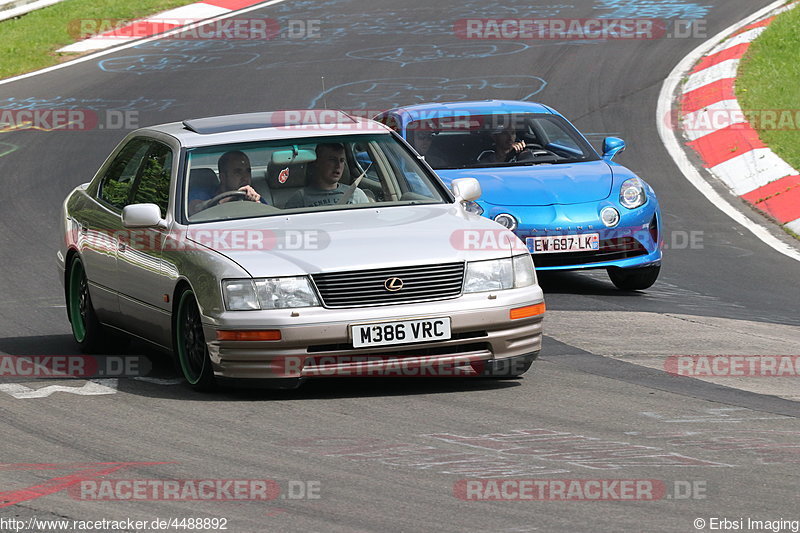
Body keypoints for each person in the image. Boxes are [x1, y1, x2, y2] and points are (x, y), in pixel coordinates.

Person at [284, 143, 369, 208]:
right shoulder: (300, 199)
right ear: (317, 162)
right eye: (332, 160)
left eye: (342, 160)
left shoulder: (356, 194)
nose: (338, 165)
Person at [188, 150, 267, 216]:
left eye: (248, 171)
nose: (245, 177)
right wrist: (232, 197)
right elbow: (194, 210)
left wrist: (257, 205)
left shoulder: (253, 196)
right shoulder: (202, 194)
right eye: (238, 172)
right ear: (223, 177)